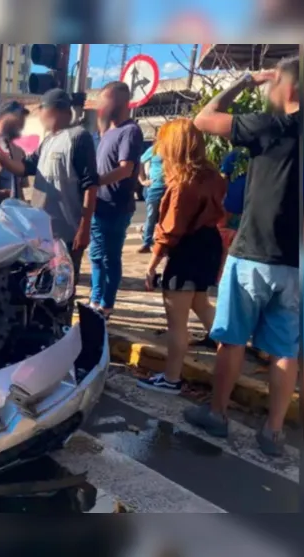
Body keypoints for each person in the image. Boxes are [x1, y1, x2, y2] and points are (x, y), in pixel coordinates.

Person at [187, 57, 300, 456]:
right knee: (286, 350)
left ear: (286, 88)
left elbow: (204, 118)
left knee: (232, 340)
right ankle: (273, 432)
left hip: (253, 252)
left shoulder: (271, 126)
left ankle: (218, 415)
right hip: (296, 263)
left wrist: (245, 81)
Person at [137, 119, 226, 395]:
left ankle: (172, 378)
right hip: (209, 244)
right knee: (201, 301)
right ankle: (227, 350)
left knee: (177, 321)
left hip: (186, 249)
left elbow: (169, 231)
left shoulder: (181, 185)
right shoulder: (214, 176)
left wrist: (151, 266)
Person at [17, 88, 99, 284]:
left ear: (53, 110)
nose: (39, 116)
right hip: (42, 234)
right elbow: (25, 167)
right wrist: (0, 157)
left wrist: (84, 227)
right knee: (42, 285)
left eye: (40, 110)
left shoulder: (79, 138)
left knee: (63, 287)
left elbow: (91, 185)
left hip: (67, 235)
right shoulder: (47, 142)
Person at [89, 81, 145, 320]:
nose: (102, 105)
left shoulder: (130, 131)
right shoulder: (108, 132)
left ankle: (106, 305)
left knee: (110, 258)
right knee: (96, 256)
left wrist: (95, 181)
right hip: (99, 206)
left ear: (122, 103)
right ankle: (94, 300)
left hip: (116, 207)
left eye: (106, 100)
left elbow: (125, 169)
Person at [137, 139, 165, 254]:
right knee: (151, 215)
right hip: (155, 187)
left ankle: (161, 242)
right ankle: (147, 243)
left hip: (170, 187)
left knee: (166, 216)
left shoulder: (175, 148)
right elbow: (140, 162)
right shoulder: (154, 149)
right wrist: (142, 180)